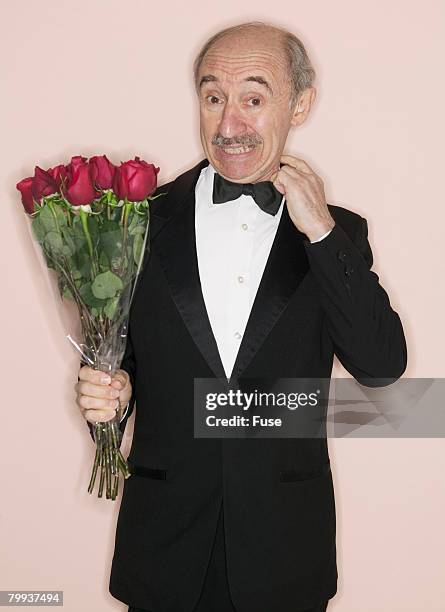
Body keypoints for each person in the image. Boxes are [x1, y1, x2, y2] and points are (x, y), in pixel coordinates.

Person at [75, 21, 407, 612]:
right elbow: (121, 368)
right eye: (213, 98)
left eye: (254, 99)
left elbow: (381, 369)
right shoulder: (135, 221)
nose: (229, 126)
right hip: (163, 548)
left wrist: (322, 233)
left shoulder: (339, 233)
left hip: (285, 553)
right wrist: (111, 395)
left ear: (299, 104)